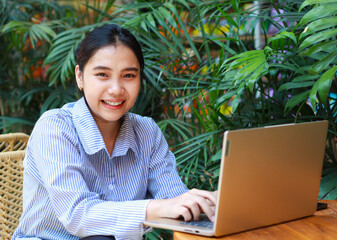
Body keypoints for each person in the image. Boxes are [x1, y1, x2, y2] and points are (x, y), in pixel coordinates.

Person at [12, 24, 217, 240]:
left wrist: (208, 203)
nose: (116, 89)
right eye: (102, 74)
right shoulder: (55, 127)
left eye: (128, 75)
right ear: (80, 77)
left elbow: (174, 199)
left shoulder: (147, 132)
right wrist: (157, 208)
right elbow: (78, 215)